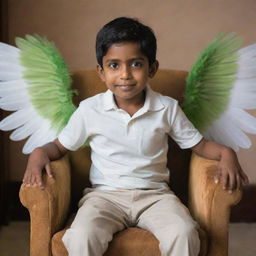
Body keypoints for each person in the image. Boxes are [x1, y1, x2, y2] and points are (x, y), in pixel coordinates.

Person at [22, 17, 249, 256]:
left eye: (136, 64)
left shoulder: (167, 108)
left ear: (152, 68)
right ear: (101, 71)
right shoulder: (90, 110)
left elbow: (200, 145)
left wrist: (226, 153)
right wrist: (38, 153)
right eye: (114, 65)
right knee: (80, 236)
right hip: (104, 197)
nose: (125, 75)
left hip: (156, 196)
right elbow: (58, 147)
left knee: (183, 233)